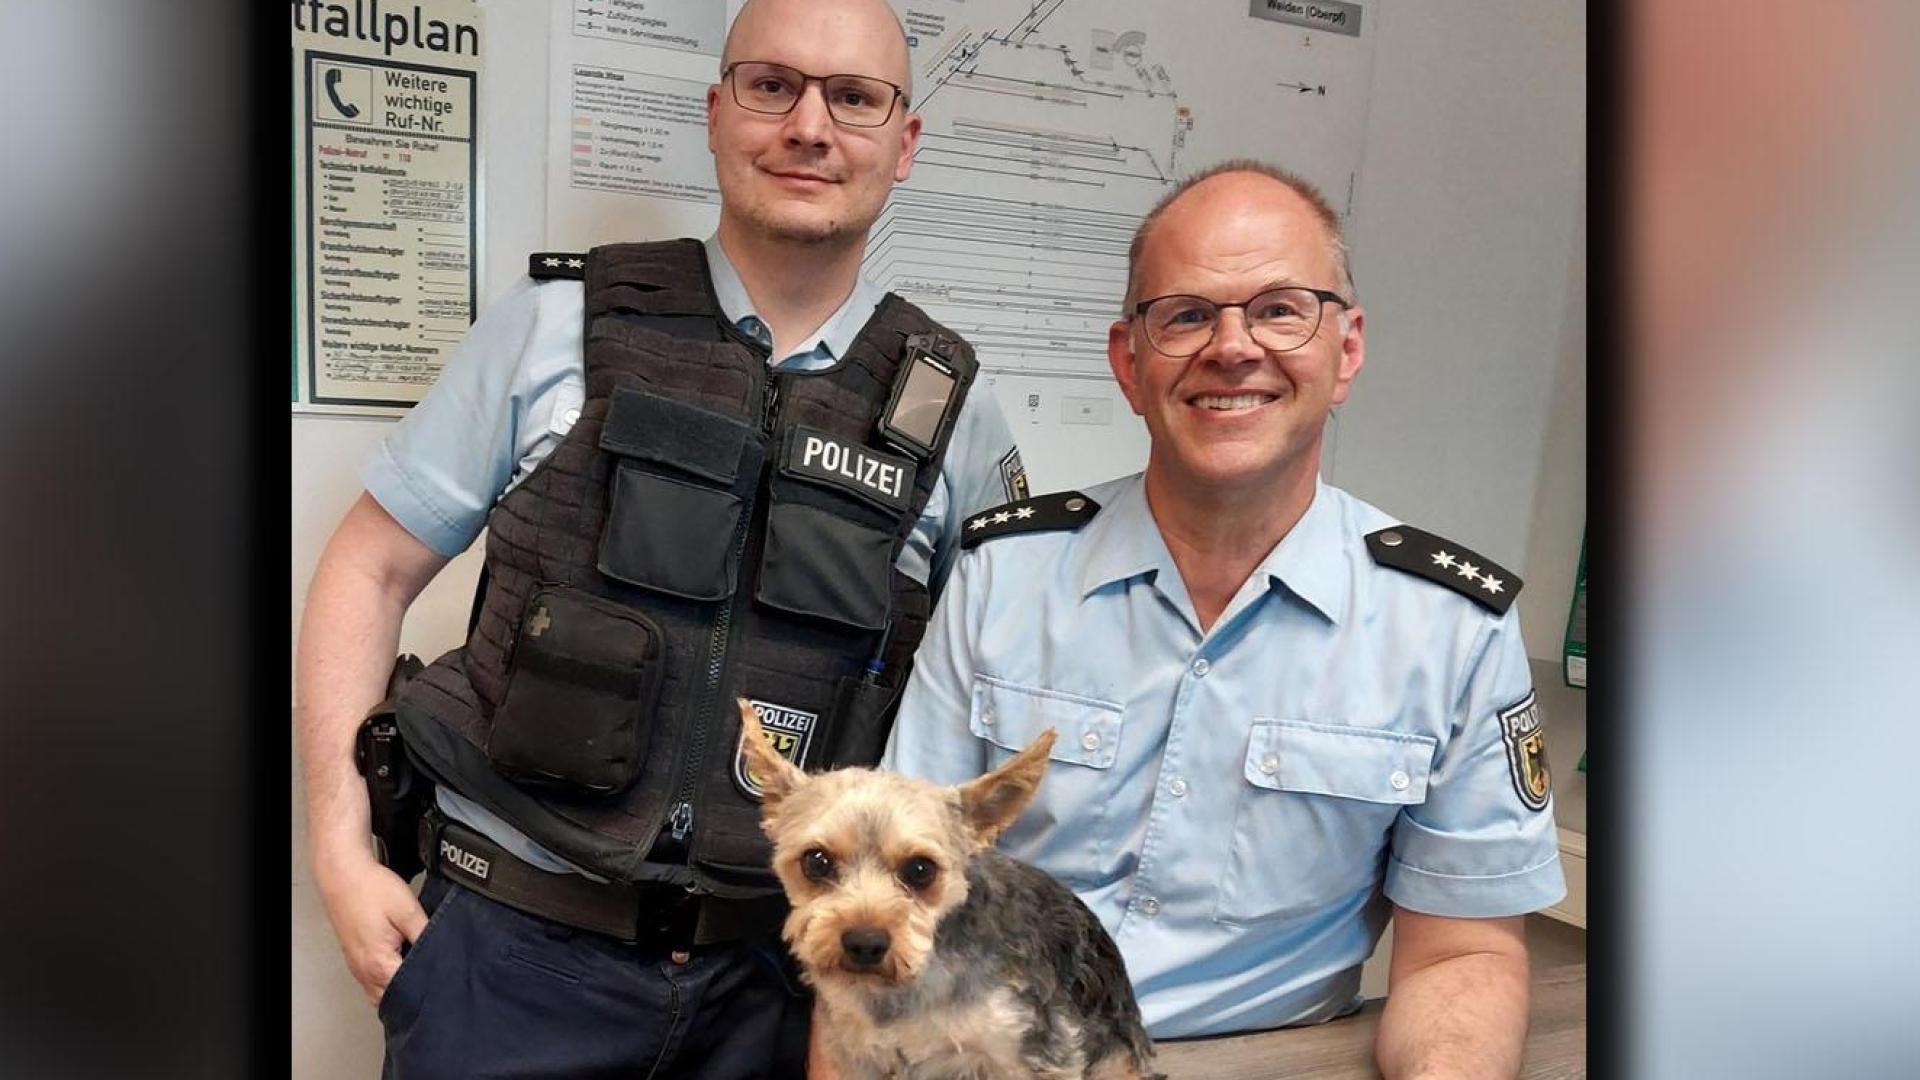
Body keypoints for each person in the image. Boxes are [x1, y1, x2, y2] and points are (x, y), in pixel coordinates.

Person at [294, 0, 1024, 1074]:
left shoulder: (952, 414)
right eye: (772, 86)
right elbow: (370, 565)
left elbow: (980, 703)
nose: (809, 127)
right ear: (719, 111)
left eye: (853, 98)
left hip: (780, 991)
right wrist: (340, 852)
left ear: (901, 142)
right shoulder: (558, 328)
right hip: (508, 959)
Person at [883, 160, 1565, 1079]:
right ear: (1130, 361)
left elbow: (1463, 954)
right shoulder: (1004, 576)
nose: (1233, 347)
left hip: (1274, 1059)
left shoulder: (1449, 631)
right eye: (1188, 314)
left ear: (1347, 349)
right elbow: (887, 896)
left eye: (1281, 309)